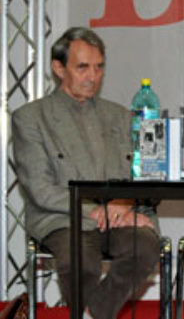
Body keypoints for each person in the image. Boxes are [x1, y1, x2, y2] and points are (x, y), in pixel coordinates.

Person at [12, 27, 161, 319]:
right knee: (81, 261)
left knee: (144, 249)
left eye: (98, 67)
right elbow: (41, 190)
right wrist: (95, 210)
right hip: (64, 217)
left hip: (119, 215)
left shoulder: (119, 115)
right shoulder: (30, 118)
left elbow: (143, 173)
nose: (92, 76)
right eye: (82, 67)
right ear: (58, 68)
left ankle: (94, 313)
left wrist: (125, 204)